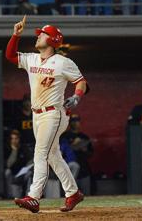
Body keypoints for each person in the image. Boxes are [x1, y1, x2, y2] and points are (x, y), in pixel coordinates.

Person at [5, 15, 88, 213]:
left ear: (51, 40)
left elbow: (81, 82)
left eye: (42, 34)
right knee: (53, 156)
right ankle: (73, 193)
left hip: (54, 113)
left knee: (40, 153)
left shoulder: (63, 62)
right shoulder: (32, 58)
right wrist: (15, 35)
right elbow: (10, 56)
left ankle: (34, 197)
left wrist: (76, 97)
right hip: (37, 115)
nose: (38, 36)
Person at [61, 114, 94, 195]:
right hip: (70, 169)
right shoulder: (64, 136)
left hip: (83, 170)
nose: (75, 123)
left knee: (86, 196)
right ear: (69, 123)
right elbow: (61, 152)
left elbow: (91, 153)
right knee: (69, 194)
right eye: (73, 121)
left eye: (77, 121)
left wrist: (84, 150)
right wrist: (73, 145)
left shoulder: (84, 137)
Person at [4, 129, 33, 198]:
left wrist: (26, 167)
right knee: (7, 172)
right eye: (12, 139)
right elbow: (8, 165)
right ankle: (9, 196)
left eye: (16, 138)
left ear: (19, 139)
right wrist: (14, 151)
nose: (14, 141)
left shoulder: (23, 148)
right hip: (13, 176)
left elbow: (31, 160)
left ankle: (29, 196)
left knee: (30, 173)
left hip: (22, 174)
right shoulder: (7, 148)